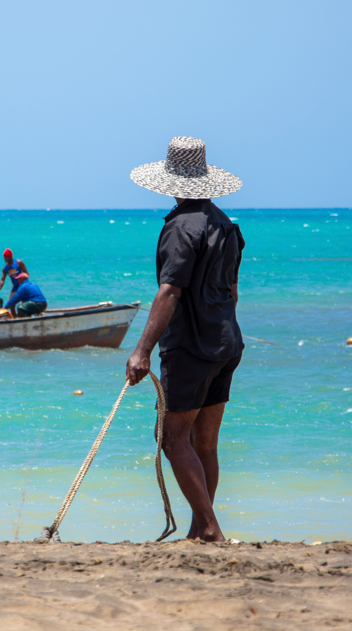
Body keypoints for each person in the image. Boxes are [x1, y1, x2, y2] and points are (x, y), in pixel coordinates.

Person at [126, 136, 244, 543]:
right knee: (204, 441)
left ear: (172, 183)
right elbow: (232, 292)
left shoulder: (179, 227)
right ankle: (199, 531)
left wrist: (141, 351)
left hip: (192, 347)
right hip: (227, 344)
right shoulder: (226, 225)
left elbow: (169, 291)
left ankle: (209, 529)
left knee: (173, 439)